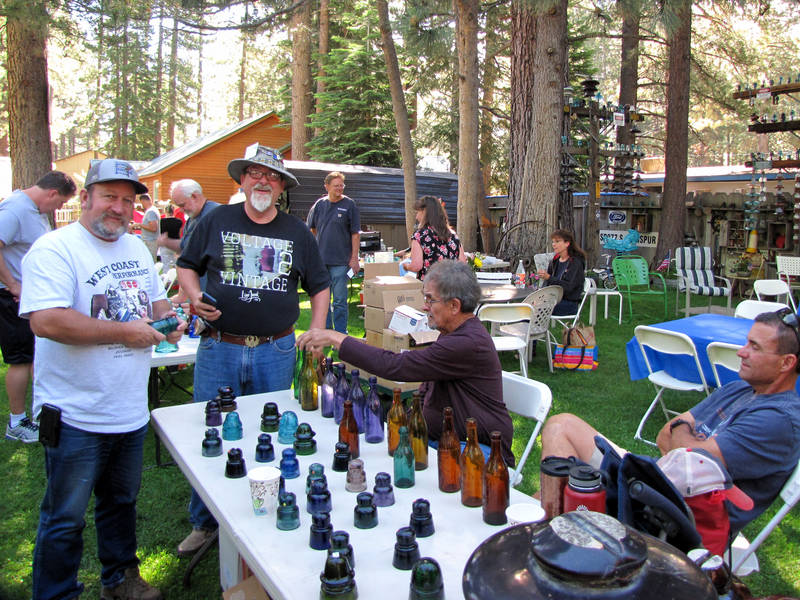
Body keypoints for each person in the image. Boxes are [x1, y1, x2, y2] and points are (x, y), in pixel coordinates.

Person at [20, 159, 184, 600]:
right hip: (74, 412)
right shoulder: (55, 249)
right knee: (64, 518)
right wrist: (125, 332)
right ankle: (57, 594)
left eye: (128, 201)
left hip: (128, 408)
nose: (119, 208)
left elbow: (156, 304)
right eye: (110, 196)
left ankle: (120, 579)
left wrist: (171, 320)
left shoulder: (136, 248)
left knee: (120, 503)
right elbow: (46, 321)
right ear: (86, 198)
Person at [175, 143, 330, 556]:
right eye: (255, 173)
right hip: (219, 348)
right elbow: (186, 265)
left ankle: (269, 509)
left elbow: (320, 286)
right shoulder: (216, 220)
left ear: (281, 187)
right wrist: (194, 296)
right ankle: (204, 522)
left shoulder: (297, 232)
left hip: (275, 350)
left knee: (274, 433)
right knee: (212, 433)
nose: (263, 181)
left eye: (272, 176)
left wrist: (316, 331)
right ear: (242, 180)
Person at [540, 309, 800, 534]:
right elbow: (665, 434)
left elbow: (691, 462)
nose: (742, 352)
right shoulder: (739, 389)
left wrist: (685, 438)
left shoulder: (778, 420)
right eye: (746, 343)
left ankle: (547, 532)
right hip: (654, 481)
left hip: (667, 516)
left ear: (786, 363)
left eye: (755, 347)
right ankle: (548, 525)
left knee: (552, 496)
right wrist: (688, 444)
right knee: (561, 425)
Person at [298, 259, 514, 465]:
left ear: (454, 306)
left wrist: (335, 338)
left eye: (430, 299)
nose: (425, 306)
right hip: (444, 439)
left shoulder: (466, 343)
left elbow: (396, 366)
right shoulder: (452, 333)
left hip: (479, 449)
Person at [0, 170, 76, 443]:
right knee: (20, 360)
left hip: (31, 296)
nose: (58, 208)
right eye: (60, 203)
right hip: (13, 298)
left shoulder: (34, 210)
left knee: (37, 356)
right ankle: (17, 422)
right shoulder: (15, 209)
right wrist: (13, 285)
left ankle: (43, 415)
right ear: (52, 193)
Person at [307, 171, 361, 334]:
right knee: (322, 300)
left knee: (339, 301)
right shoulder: (319, 205)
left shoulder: (349, 205)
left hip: (340, 262)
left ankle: (340, 333)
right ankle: (326, 332)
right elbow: (312, 230)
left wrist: (354, 258)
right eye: (336, 185)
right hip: (320, 262)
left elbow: (355, 234)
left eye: (341, 185)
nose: (339, 188)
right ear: (327, 186)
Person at [405, 195, 466, 280]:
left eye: (418, 212)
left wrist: (406, 266)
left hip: (431, 285)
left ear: (424, 212)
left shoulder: (419, 235)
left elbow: (416, 266)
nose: (416, 217)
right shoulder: (453, 235)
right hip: (452, 285)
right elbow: (463, 263)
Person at [536, 228, 585, 316]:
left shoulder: (575, 262)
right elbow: (547, 284)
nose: (554, 244)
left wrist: (549, 278)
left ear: (567, 243)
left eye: (557, 241)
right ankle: (528, 324)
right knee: (527, 306)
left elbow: (569, 287)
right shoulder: (555, 261)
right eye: (553, 242)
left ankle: (531, 324)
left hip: (569, 303)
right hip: (553, 299)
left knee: (534, 309)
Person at [133, 193, 159, 261]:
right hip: (150, 240)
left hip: (150, 241)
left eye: (141, 203)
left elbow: (153, 228)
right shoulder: (152, 210)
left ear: (143, 201)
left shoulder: (151, 212)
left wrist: (139, 224)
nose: (142, 205)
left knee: (150, 261)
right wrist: (138, 227)